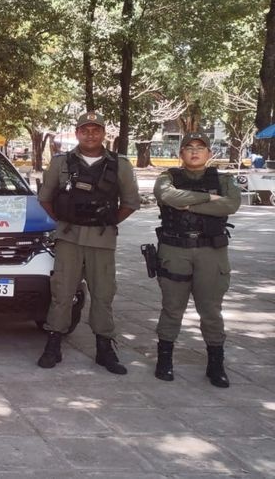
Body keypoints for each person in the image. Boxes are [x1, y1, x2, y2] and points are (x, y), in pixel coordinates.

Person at [36, 111, 141, 374]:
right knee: (62, 293)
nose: (91, 134)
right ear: (77, 133)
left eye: (96, 130)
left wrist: (106, 222)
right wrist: (63, 220)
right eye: (85, 130)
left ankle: (104, 348)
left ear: (104, 133)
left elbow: (130, 203)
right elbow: (45, 198)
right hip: (68, 239)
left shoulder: (120, 164)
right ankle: (53, 344)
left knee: (103, 294)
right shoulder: (61, 163)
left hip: (102, 241)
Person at [152, 132, 241, 387]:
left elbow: (230, 205)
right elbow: (168, 196)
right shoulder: (167, 178)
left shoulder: (223, 180)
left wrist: (188, 204)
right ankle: (164, 360)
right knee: (172, 307)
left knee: (211, 310)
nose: (194, 151)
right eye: (188, 147)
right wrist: (209, 198)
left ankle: (216, 364)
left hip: (211, 252)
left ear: (209, 154)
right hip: (174, 249)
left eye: (200, 148)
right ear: (180, 154)